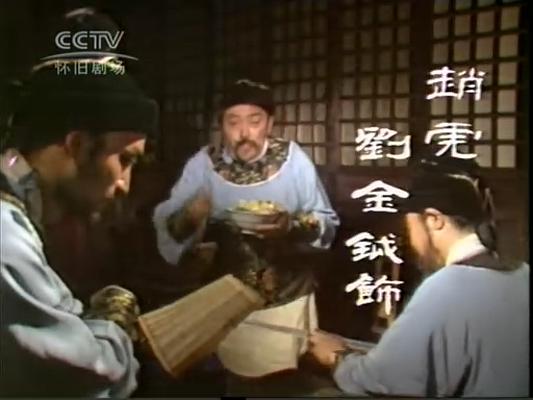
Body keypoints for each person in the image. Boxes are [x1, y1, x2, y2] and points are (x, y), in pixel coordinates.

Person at [153, 78, 340, 395]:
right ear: (221, 126)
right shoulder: (204, 164)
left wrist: (291, 226)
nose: (244, 133)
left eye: (254, 121)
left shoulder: (292, 159)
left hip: (287, 293)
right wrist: (191, 216)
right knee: (235, 380)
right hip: (226, 295)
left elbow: (325, 220)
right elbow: (166, 221)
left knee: (284, 380)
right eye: (233, 122)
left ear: (270, 123)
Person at [307, 154, 529, 397]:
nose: (412, 241)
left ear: (434, 220)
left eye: (411, 227)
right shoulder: (522, 274)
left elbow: (381, 378)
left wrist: (336, 356)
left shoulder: (446, 287)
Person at [0, 59, 158, 397]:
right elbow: (83, 379)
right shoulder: (5, 238)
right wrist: (114, 324)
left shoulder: (17, 216)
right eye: (125, 160)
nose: (125, 184)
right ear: (78, 146)